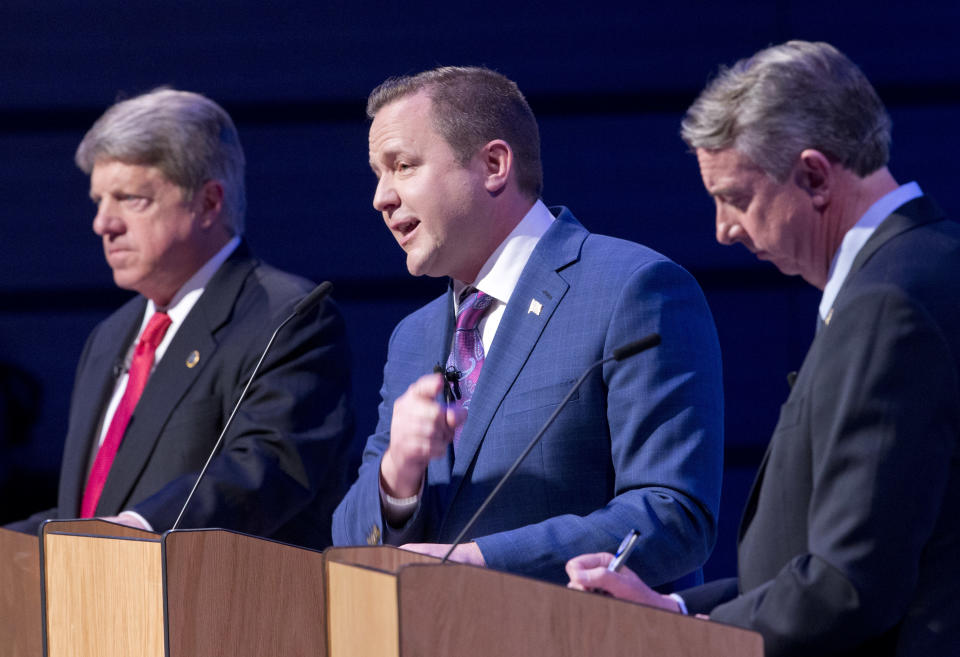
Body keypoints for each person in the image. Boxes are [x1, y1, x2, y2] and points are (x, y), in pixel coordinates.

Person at [567, 41, 960, 656]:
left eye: (736, 198)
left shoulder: (888, 304)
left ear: (813, 175)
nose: (723, 230)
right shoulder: (925, 265)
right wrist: (670, 608)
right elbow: (819, 554)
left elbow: (848, 583)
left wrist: (689, 640)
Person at [332, 66, 723, 587]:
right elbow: (352, 546)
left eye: (403, 165)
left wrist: (480, 562)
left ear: (494, 164)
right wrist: (397, 476)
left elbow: (673, 516)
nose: (381, 197)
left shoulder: (632, 289)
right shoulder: (413, 337)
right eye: (378, 174)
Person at [4, 89, 354, 549]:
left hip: (213, 610)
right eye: (98, 200)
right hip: (95, 608)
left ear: (209, 202)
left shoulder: (288, 317)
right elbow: (88, 513)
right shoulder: (109, 337)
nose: (103, 223)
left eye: (130, 199)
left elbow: (268, 468)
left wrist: (126, 533)